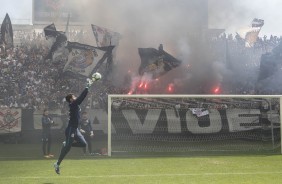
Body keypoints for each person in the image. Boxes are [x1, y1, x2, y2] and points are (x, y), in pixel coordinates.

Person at [54, 74, 100, 174]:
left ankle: (67, 144)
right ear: (71, 99)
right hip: (71, 129)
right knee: (67, 149)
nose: (75, 97)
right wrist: (87, 86)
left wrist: (89, 85)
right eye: (73, 96)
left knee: (83, 144)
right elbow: (81, 98)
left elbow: (81, 98)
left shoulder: (74, 104)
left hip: (75, 129)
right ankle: (57, 163)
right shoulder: (73, 103)